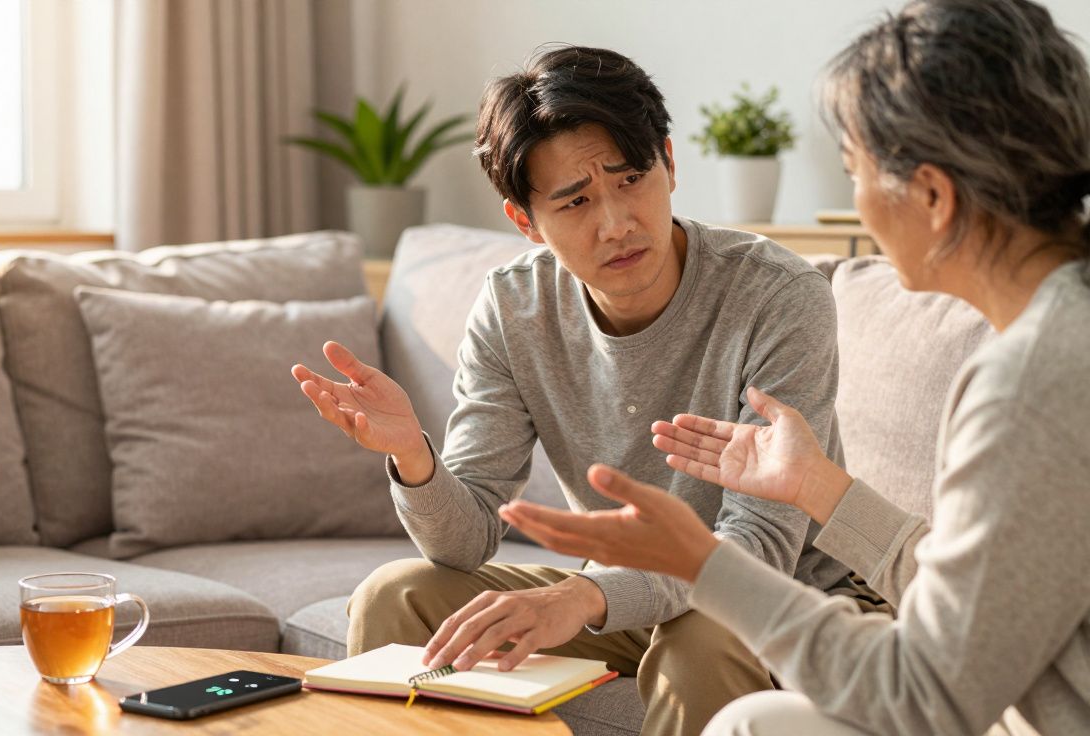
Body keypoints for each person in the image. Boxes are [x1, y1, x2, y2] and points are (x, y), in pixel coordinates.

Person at [499, 2, 1090, 734]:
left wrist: (702, 561)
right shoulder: (1060, 333)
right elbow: (980, 607)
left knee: (752, 726)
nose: (857, 203)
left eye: (855, 172)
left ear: (933, 196)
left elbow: (923, 696)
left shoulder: (1030, 384)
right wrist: (820, 487)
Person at [291, 46, 867, 735]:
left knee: (701, 640)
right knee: (397, 595)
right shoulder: (514, 308)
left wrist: (585, 594)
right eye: (577, 201)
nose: (617, 222)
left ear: (670, 163)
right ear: (524, 221)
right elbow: (465, 541)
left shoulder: (776, 294)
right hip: (631, 596)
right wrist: (414, 456)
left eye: (631, 179)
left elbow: (759, 545)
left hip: (784, 601)